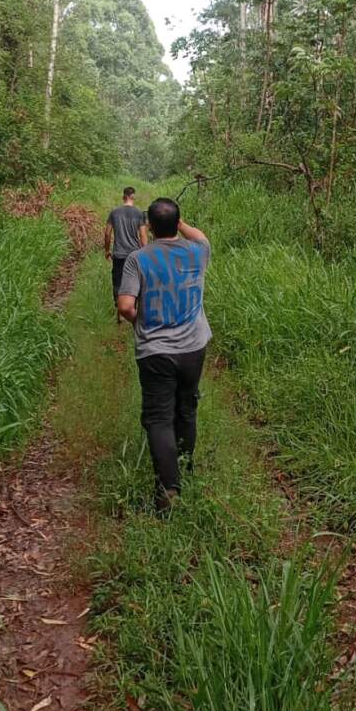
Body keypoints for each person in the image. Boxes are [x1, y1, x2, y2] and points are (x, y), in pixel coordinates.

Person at [117, 197, 211, 513]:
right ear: (177, 223)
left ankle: (169, 488)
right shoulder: (198, 252)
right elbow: (198, 235)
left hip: (155, 351)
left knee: (158, 417)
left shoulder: (137, 259)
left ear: (151, 227)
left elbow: (126, 306)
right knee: (186, 409)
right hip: (194, 347)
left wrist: (140, 323)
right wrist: (180, 221)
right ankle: (185, 468)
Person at [104, 187, 146, 315]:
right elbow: (143, 236)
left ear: (123, 197)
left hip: (119, 254)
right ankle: (133, 306)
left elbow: (107, 233)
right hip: (135, 254)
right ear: (133, 197)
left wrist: (107, 250)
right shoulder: (139, 213)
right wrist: (145, 253)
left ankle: (119, 308)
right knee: (136, 280)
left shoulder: (114, 212)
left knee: (118, 280)